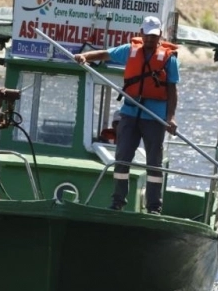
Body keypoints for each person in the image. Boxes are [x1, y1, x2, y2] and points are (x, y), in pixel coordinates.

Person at [74, 15, 179, 215]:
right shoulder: (129, 51)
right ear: (141, 33)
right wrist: (85, 57)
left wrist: (170, 117)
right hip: (130, 114)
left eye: (154, 36)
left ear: (160, 37)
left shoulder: (169, 59)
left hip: (154, 117)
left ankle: (154, 207)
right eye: (147, 35)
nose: (149, 40)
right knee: (122, 157)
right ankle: (118, 202)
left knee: (154, 162)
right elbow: (105, 54)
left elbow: (172, 91)